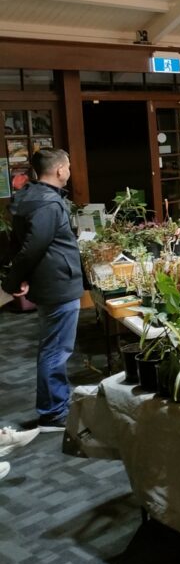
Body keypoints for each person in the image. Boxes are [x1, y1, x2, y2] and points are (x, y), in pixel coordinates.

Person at [2, 148, 81, 430]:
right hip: (57, 283)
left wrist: (21, 276)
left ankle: (55, 404)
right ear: (59, 170)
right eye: (68, 166)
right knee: (56, 350)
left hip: (49, 281)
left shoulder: (31, 197)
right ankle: (54, 412)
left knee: (53, 347)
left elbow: (17, 243)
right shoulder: (48, 203)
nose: (69, 170)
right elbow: (34, 246)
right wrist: (14, 280)